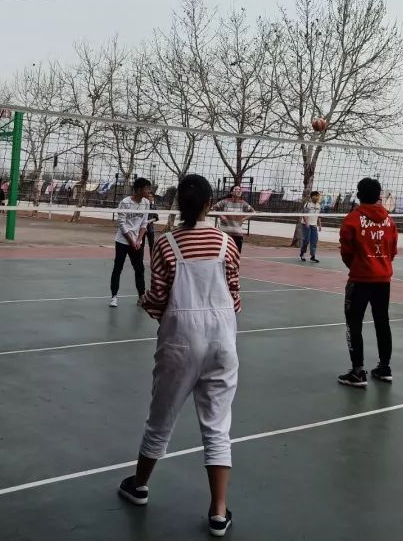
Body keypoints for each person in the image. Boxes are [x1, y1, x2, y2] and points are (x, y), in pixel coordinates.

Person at [117, 174, 241, 538]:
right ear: (209, 204)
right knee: (217, 425)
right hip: (222, 339)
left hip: (180, 340)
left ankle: (139, 485)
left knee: (160, 417)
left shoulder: (166, 244)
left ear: (178, 205)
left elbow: (157, 298)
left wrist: (152, 307)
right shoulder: (227, 243)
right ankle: (218, 511)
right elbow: (235, 295)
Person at [337, 177, 399, 387]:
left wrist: (358, 267)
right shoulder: (389, 220)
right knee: (382, 321)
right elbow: (393, 250)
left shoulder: (352, 219)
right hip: (383, 280)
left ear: (358, 195)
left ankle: (357, 372)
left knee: (354, 324)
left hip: (360, 279)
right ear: (378, 196)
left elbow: (346, 251)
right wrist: (381, 264)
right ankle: (384, 367)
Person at [110, 177, 152, 307]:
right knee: (118, 268)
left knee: (139, 269)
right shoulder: (125, 202)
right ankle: (114, 297)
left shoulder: (146, 203)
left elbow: (144, 222)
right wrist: (131, 240)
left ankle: (141, 296)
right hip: (123, 241)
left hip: (137, 242)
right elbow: (121, 224)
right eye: (146, 189)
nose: (148, 191)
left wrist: (139, 239)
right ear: (138, 189)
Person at [210, 185, 255, 254]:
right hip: (225, 234)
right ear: (232, 192)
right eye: (236, 189)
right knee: (223, 254)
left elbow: (253, 212)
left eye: (239, 189)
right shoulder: (225, 202)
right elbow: (213, 208)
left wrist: (243, 219)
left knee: (236, 254)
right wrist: (221, 216)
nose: (238, 190)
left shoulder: (243, 203)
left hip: (237, 234)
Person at [299, 190, 322, 263]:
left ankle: (312, 256)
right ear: (312, 197)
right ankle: (302, 254)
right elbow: (304, 214)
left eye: (318, 196)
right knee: (306, 240)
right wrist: (306, 223)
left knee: (314, 241)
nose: (317, 197)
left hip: (314, 225)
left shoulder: (319, 205)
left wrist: (320, 225)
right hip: (306, 225)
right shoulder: (308, 204)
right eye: (316, 196)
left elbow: (319, 216)